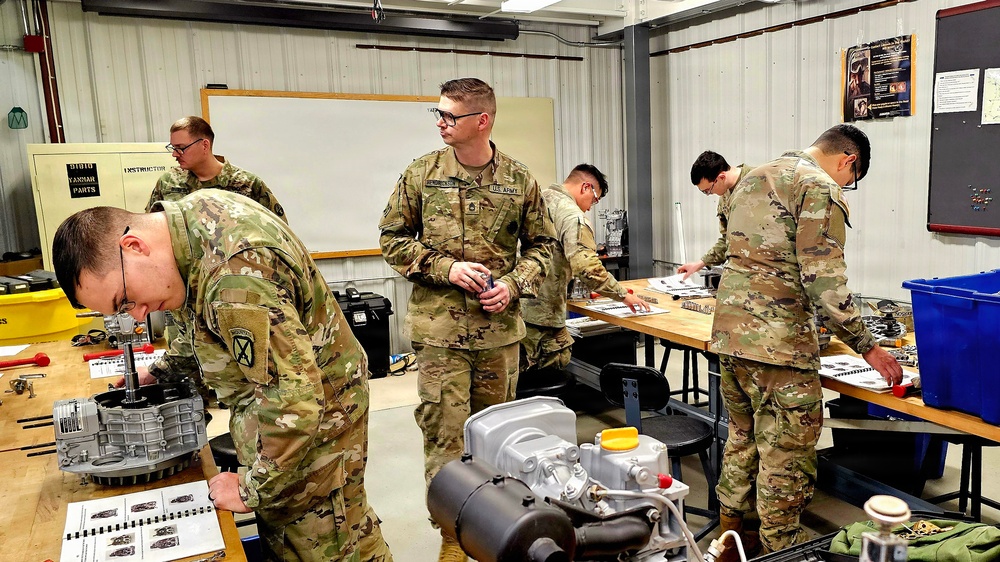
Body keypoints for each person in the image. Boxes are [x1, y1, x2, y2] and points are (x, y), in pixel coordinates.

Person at [52, 190, 392, 562]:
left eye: (126, 300)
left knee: (328, 542)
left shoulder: (234, 275)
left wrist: (250, 488)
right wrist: (163, 372)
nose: (137, 315)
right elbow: (201, 331)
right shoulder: (181, 233)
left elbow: (295, 400)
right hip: (279, 415)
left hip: (314, 426)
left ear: (133, 246)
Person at [378, 77, 556, 562]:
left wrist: (515, 284)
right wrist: (446, 267)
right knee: (445, 441)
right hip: (441, 337)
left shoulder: (519, 180)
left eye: (449, 116)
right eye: (437, 114)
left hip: (499, 337)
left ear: (482, 121)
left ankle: (497, 536)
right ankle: (452, 543)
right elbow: (392, 239)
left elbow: (544, 247)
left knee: (498, 443)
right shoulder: (420, 174)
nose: (440, 123)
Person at [710, 124, 903, 558]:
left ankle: (730, 539)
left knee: (742, 436)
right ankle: (780, 549)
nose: (845, 185)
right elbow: (824, 279)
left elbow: (728, 250)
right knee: (786, 454)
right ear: (847, 160)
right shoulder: (818, 187)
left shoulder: (753, 176)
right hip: (779, 346)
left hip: (729, 336)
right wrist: (866, 344)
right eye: (849, 179)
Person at [520, 164, 649, 374]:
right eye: (595, 199)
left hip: (518, 307)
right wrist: (623, 296)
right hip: (543, 316)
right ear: (585, 187)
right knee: (551, 368)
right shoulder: (573, 216)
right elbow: (587, 268)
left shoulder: (539, 199)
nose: (591, 206)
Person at [147, 116, 285, 220]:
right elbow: (150, 226)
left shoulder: (248, 184)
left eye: (181, 148)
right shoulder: (168, 182)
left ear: (205, 145)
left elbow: (280, 231)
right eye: (173, 148)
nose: (174, 154)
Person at [677, 151, 754, 281]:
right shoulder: (724, 196)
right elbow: (727, 239)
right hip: (743, 275)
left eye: (708, 190)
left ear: (721, 177)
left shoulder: (760, 182)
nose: (709, 194)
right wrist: (700, 263)